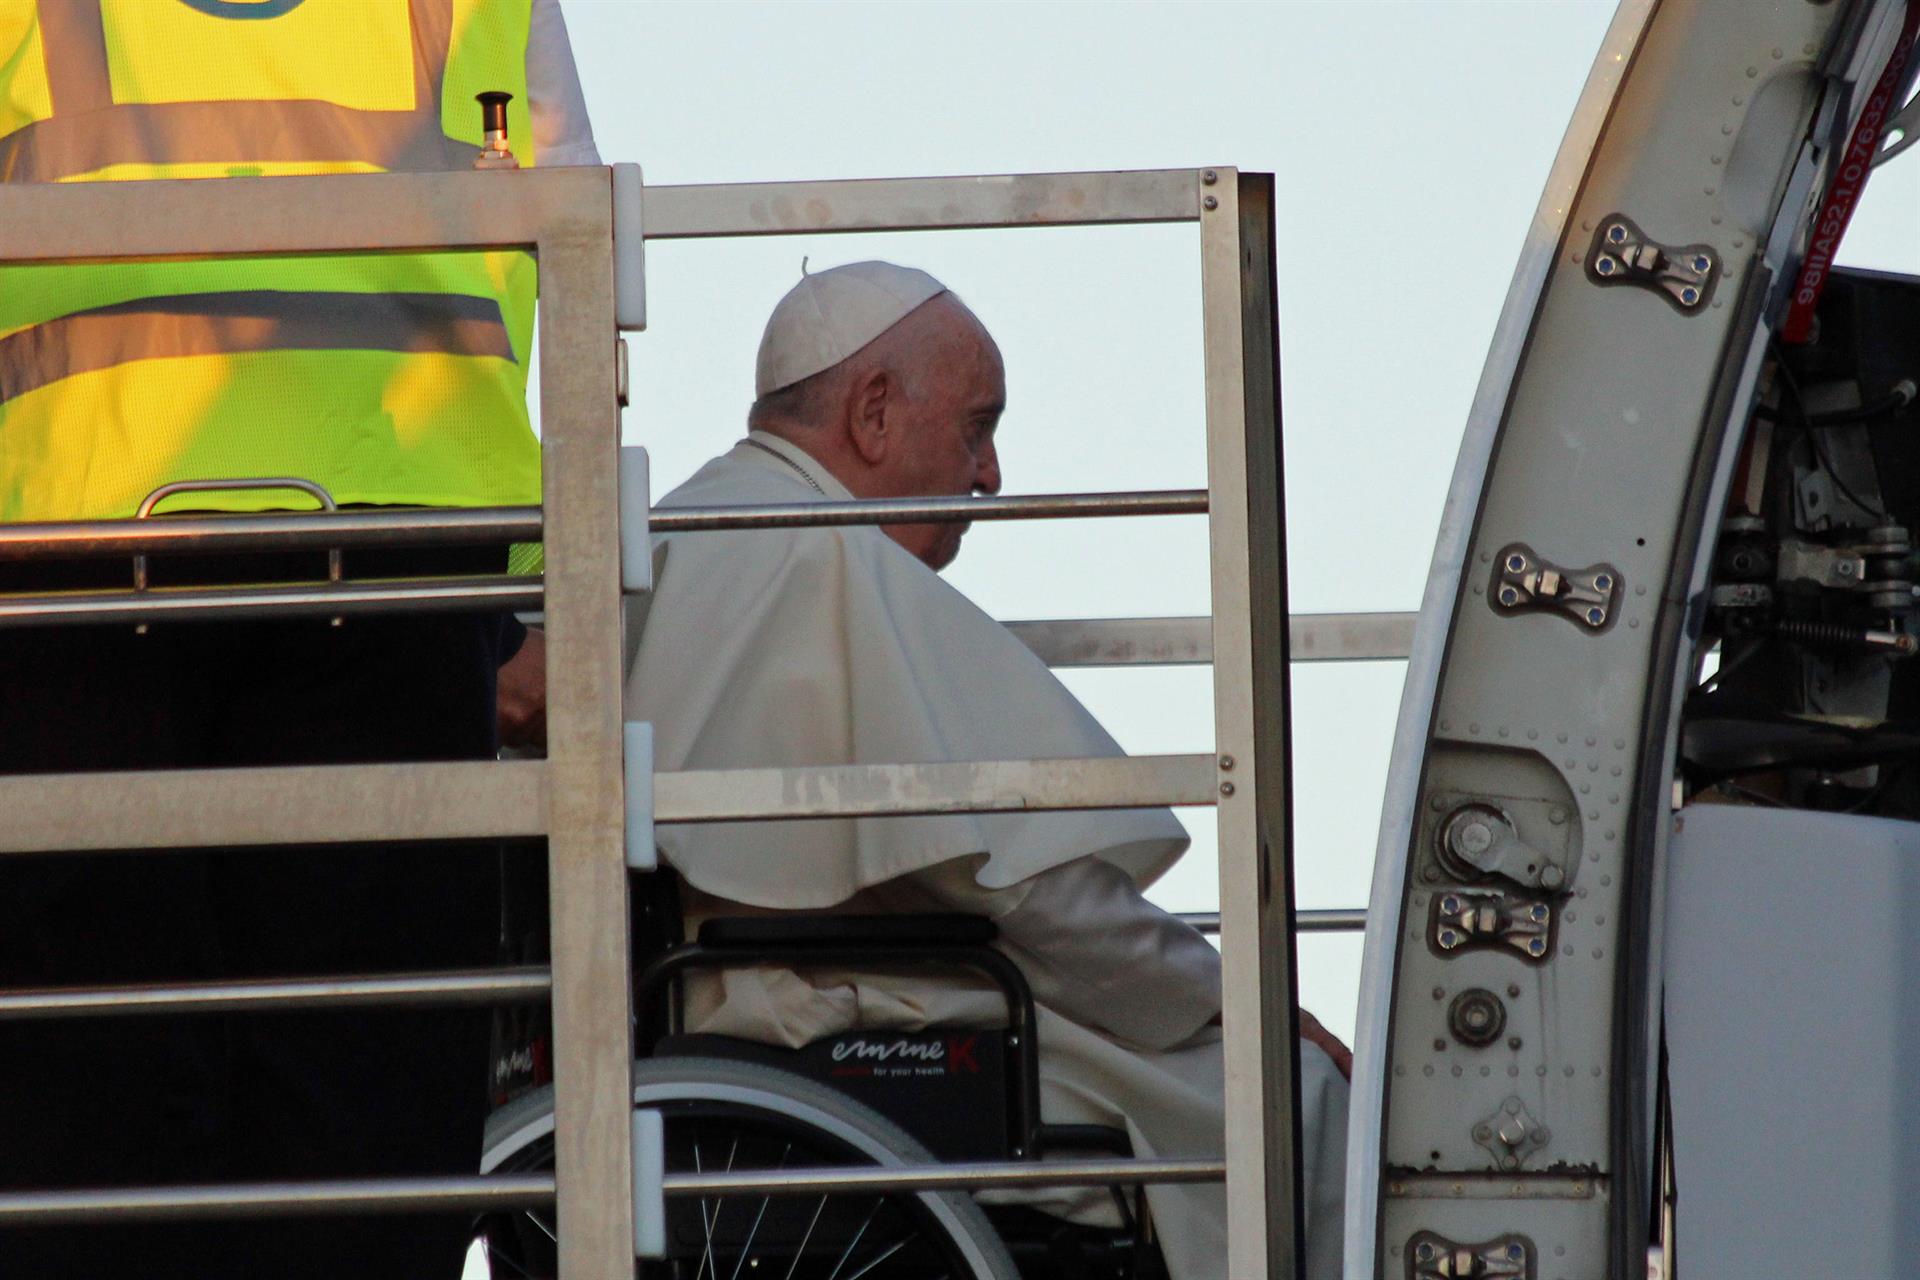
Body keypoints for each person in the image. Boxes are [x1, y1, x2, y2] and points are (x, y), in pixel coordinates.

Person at [0, 2, 594, 1275]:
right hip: (389, 535)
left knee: (92, 1051)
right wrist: (543, 596)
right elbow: (576, 226)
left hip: (78, 540)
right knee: (363, 1048)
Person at [625, 260, 1350, 1279]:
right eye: (976, 425)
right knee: (1295, 1099)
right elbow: (1028, 887)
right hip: (834, 1009)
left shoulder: (702, 525)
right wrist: (1236, 1000)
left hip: (783, 988)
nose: (991, 474)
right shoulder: (814, 555)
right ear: (874, 411)